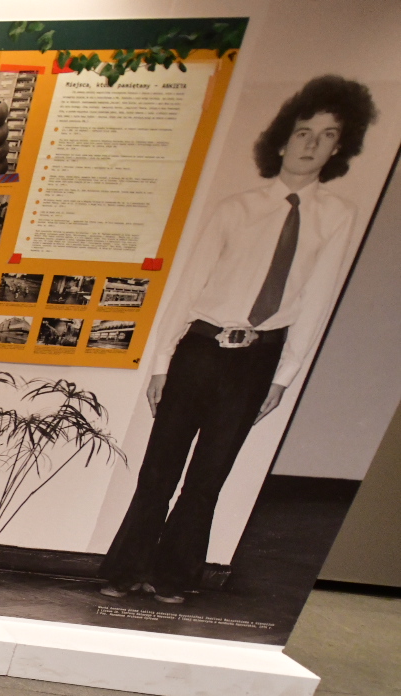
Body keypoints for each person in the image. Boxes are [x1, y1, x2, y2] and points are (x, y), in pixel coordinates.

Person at [101, 75, 375, 603]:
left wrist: (283, 376)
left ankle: (173, 576)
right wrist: (161, 363)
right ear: (282, 138)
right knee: (161, 467)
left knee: (209, 476)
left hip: (258, 359)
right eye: (303, 131)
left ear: (340, 146)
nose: (312, 143)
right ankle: (125, 569)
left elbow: (315, 303)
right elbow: (187, 291)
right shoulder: (236, 208)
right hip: (199, 352)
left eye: (327, 134)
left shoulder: (336, 217)